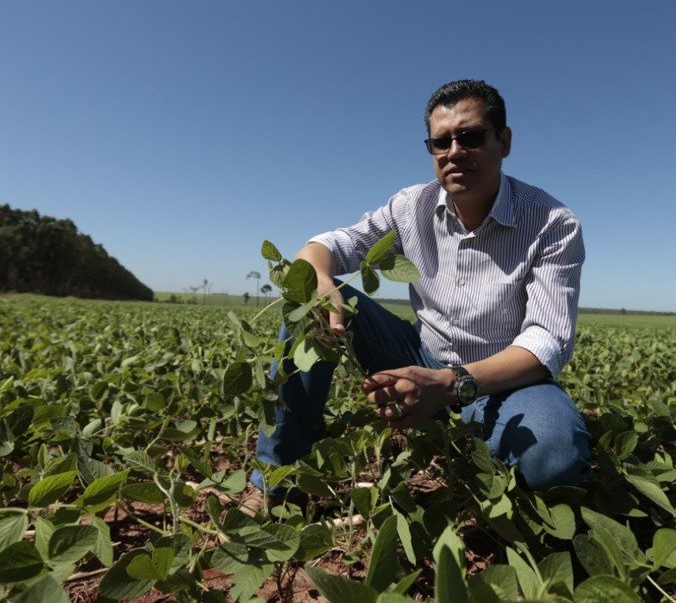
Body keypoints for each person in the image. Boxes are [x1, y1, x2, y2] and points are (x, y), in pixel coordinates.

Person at [245, 79, 591, 512]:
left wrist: (449, 385)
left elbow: (546, 344)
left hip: (506, 380)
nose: (454, 152)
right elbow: (328, 246)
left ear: (504, 141)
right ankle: (273, 481)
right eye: (440, 142)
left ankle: (478, 445)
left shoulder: (552, 223)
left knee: (555, 459)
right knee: (306, 304)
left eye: (471, 137)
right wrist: (319, 279)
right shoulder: (411, 207)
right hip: (419, 352)